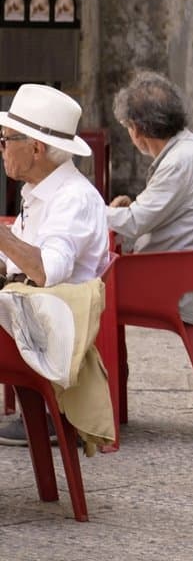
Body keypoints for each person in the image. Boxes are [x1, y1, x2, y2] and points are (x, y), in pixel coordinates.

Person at [0, 84, 110, 445]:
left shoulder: (72, 198)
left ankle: (45, 415)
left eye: (5, 140)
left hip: (47, 330)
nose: (1, 148)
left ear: (36, 148)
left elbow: (46, 271)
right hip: (30, 317)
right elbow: (12, 261)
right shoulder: (41, 191)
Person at [107, 70, 193, 324]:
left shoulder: (179, 162)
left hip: (183, 291)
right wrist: (125, 211)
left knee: (90, 291)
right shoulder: (192, 149)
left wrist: (86, 209)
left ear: (136, 129)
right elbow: (154, 212)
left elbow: (134, 223)